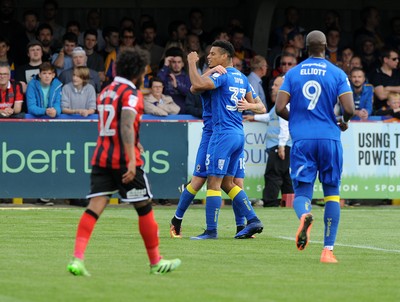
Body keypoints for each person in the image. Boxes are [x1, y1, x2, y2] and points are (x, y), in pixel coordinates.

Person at [66, 47, 181, 276]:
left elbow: (113, 124)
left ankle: (78, 258)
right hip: (124, 160)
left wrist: (134, 141)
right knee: (145, 208)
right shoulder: (131, 94)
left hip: (102, 157)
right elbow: (126, 124)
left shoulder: (106, 90)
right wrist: (131, 160)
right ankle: (155, 262)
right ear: (138, 73)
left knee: (94, 208)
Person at [275, 30, 355, 263]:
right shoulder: (337, 73)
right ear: (326, 46)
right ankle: (327, 251)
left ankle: (305, 215)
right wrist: (343, 122)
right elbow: (349, 109)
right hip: (329, 138)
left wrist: (298, 121)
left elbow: (279, 107)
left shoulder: (293, 73)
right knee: (332, 194)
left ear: (305, 49)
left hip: (303, 140)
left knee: (302, 193)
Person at [184, 40, 265, 240]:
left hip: (222, 134)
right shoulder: (242, 78)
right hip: (238, 134)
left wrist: (192, 63)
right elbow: (261, 107)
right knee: (230, 182)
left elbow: (196, 85)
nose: (209, 57)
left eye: (212, 54)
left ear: (224, 57)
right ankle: (251, 221)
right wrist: (249, 106)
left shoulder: (223, 75)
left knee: (214, 181)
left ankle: (211, 231)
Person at [243, 75, 294, 207]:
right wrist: (255, 117)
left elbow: (285, 125)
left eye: (276, 85)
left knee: (273, 174)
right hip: (282, 145)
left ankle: (270, 201)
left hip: (279, 145)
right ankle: (289, 200)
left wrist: (281, 145)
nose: (272, 87)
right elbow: (271, 117)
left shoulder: (284, 104)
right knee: (284, 175)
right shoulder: (282, 103)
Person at [157, 47, 191, 114]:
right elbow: (157, 82)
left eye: (179, 62)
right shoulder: (165, 75)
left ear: (183, 64)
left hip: (183, 113)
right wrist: (165, 65)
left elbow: (190, 94)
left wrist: (177, 86)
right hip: (166, 112)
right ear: (170, 63)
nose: (176, 65)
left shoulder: (187, 77)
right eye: (173, 62)